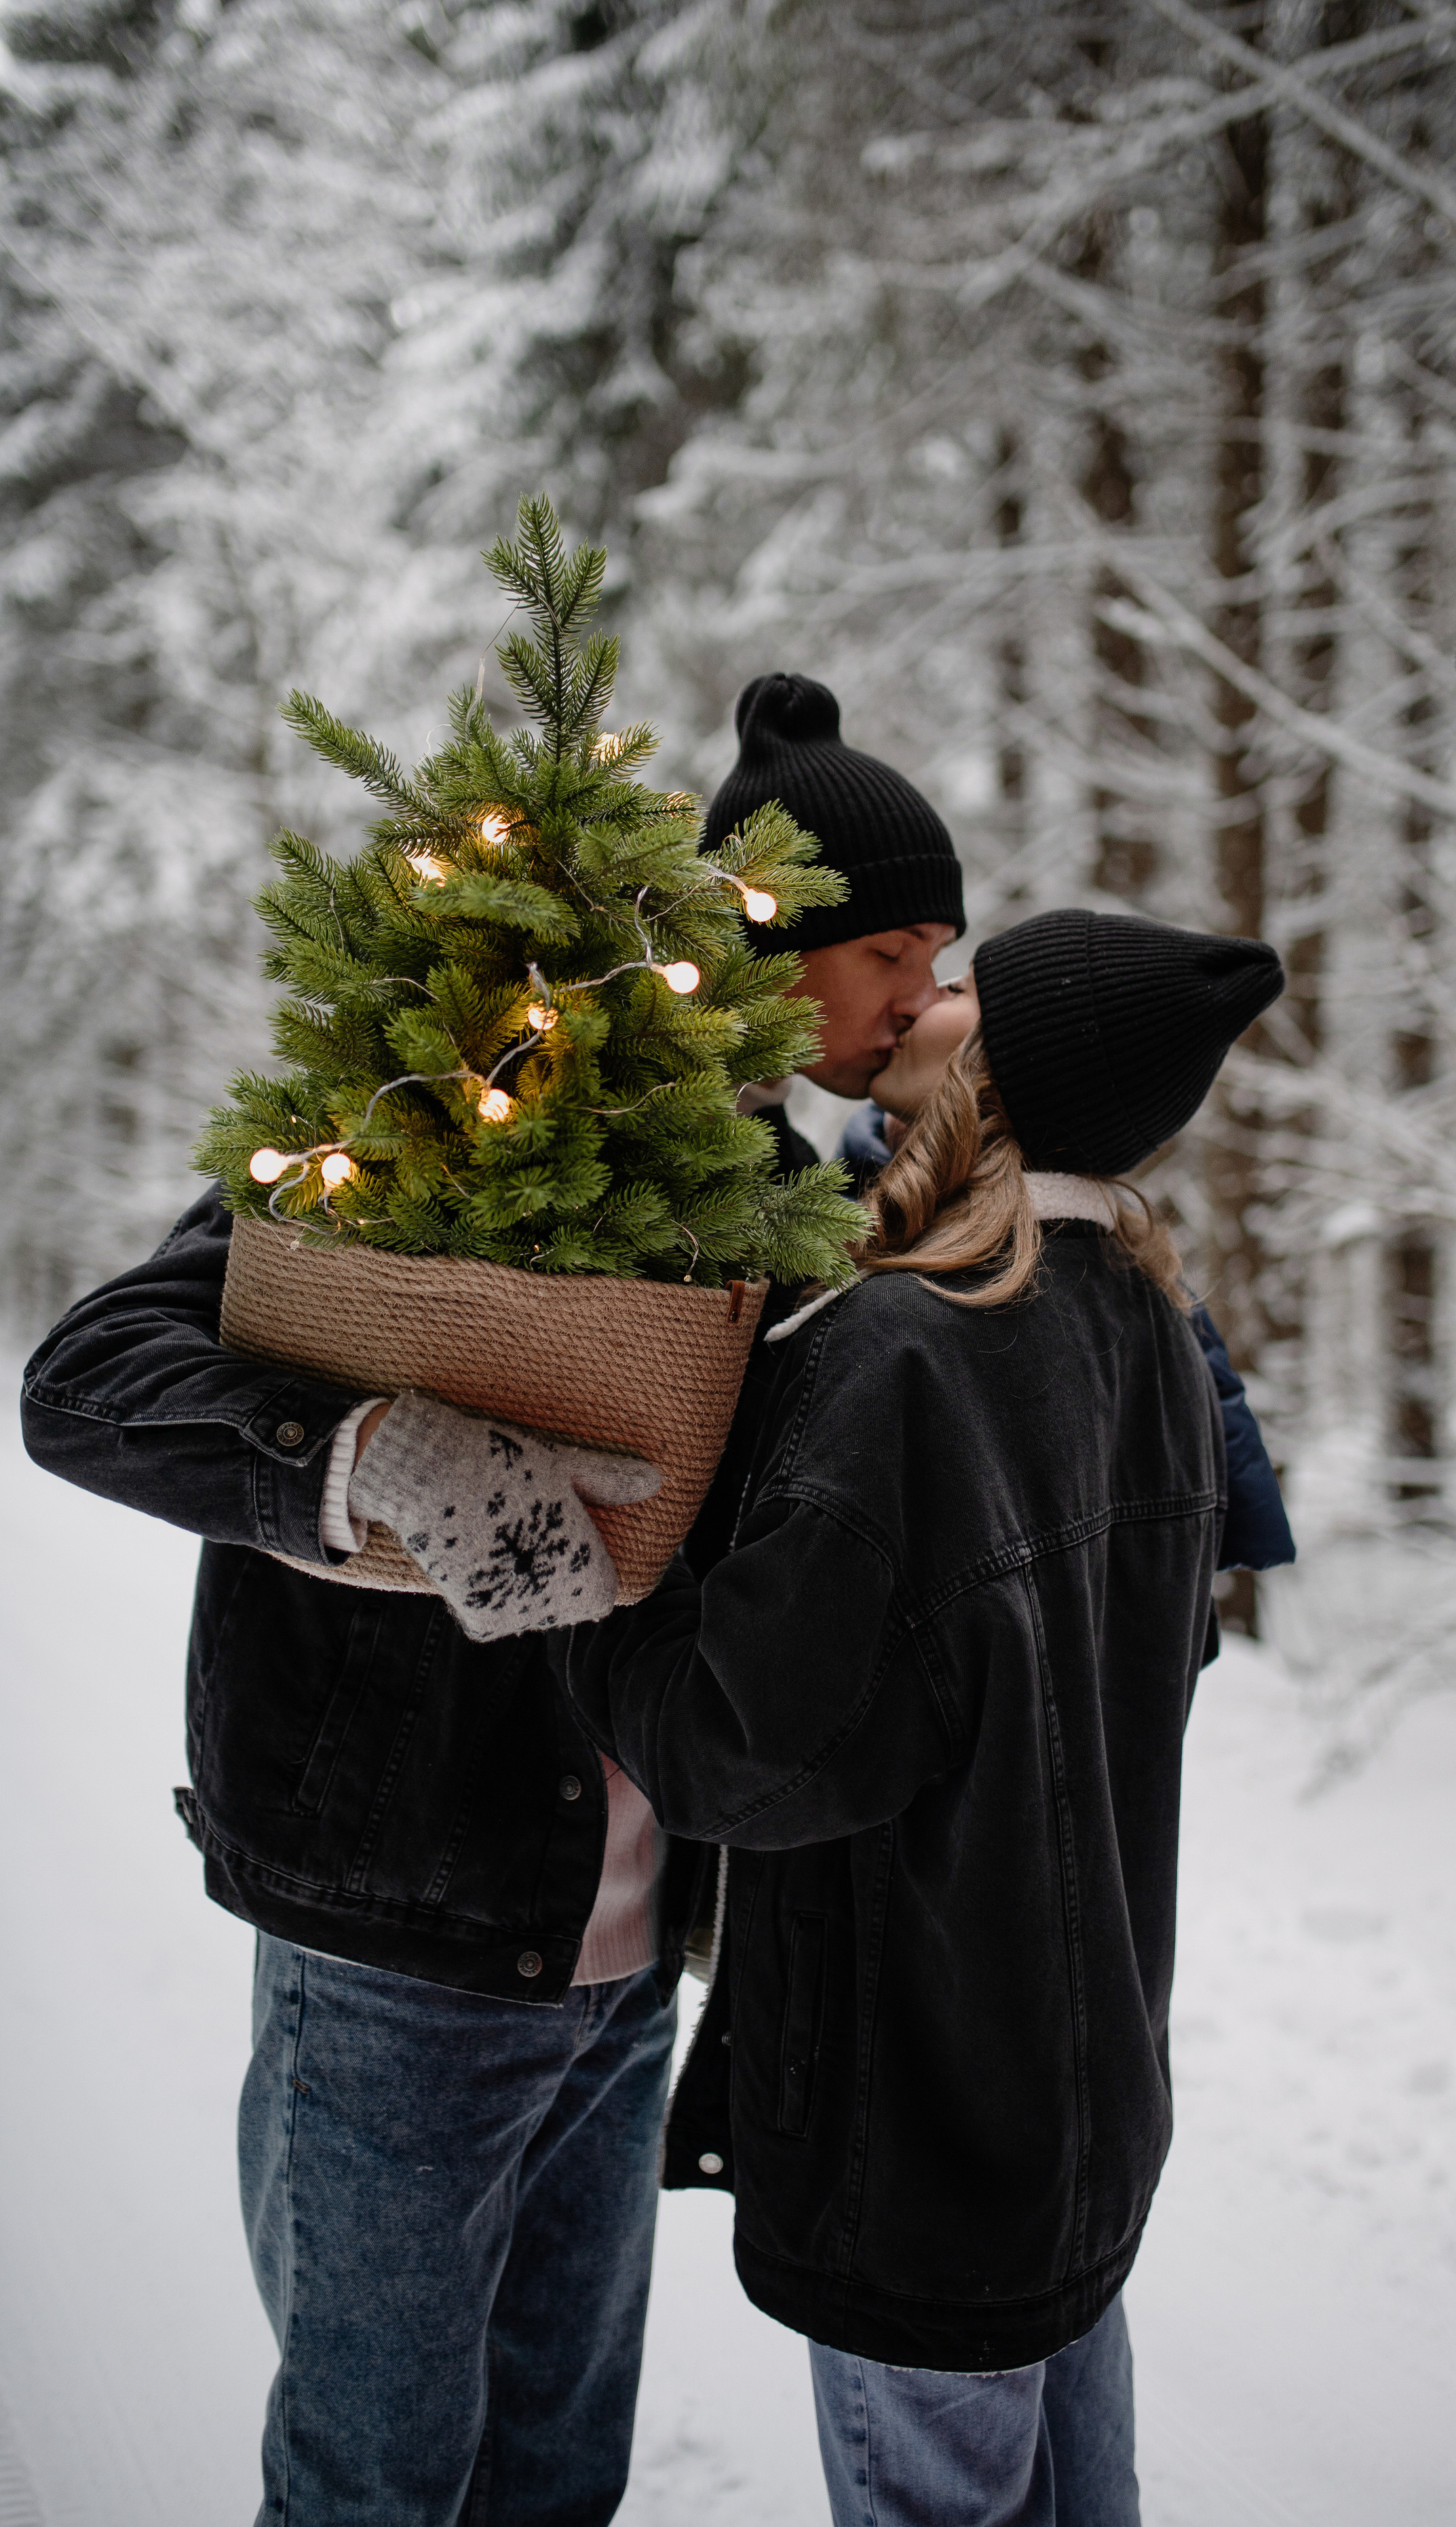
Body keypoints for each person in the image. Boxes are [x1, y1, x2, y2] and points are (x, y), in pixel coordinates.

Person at [14, 672, 965, 2527]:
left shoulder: (784, 1197)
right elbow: (88, 1376)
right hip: (397, 1949)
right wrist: (368, 1456)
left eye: (946, 951)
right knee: (377, 2482)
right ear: (770, 946)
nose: (922, 991)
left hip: (620, 1968)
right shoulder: (471, 1118)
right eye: (895, 951)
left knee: (550, 2476)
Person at [565, 905, 1286, 2527]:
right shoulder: (1149, 1330)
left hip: (922, 2127)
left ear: (1009, 1067)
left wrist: (572, 1579)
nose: (927, 1000)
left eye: (963, 986)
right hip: (1079, 2108)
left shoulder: (907, 1348)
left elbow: (740, 1753)